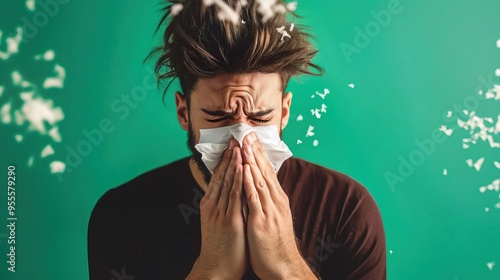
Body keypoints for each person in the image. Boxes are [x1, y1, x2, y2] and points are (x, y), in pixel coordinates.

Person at [87, 0, 386, 279]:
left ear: (284, 113)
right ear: (184, 113)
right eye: (218, 117)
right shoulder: (122, 217)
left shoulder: (347, 210)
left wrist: (285, 265)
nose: (242, 142)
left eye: (260, 117)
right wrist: (212, 270)